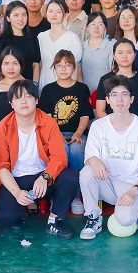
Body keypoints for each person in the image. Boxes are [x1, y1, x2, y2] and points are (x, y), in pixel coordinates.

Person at [79, 75, 138, 240]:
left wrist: (135, 191)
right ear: (108, 100)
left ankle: (130, 212)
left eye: (124, 94)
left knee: (124, 220)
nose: (119, 99)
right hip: (106, 183)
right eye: (114, 95)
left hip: (132, 186)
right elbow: (89, 158)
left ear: (131, 99)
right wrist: (94, 160)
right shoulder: (98, 126)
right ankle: (93, 217)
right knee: (87, 172)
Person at [0, 81, 79, 239]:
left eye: (28, 96)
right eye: (18, 97)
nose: (24, 101)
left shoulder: (49, 122)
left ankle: (54, 220)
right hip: (16, 179)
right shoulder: (2, 127)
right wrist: (17, 192)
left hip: (43, 177)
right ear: (11, 104)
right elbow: (1, 167)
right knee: (7, 217)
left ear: (36, 100)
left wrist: (45, 177)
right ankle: (23, 208)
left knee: (70, 178)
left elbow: (59, 157)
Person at [38, 50, 93, 183]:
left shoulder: (82, 89)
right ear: (54, 68)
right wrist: (57, 135)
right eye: (59, 65)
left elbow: (85, 115)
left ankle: (77, 188)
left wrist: (78, 133)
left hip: (78, 133)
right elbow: (47, 118)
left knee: (76, 150)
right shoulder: (48, 90)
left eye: (67, 65)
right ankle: (60, 186)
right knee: (61, 150)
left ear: (73, 67)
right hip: (54, 134)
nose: (63, 69)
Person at [95, 38, 138, 122]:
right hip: (111, 126)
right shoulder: (105, 80)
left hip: (137, 126)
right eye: (120, 53)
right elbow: (100, 111)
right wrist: (115, 126)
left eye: (129, 52)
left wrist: (136, 126)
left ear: (135, 55)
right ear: (114, 56)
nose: (125, 56)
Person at [38, 0, 83, 87]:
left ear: (65, 14)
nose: (54, 14)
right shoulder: (41, 37)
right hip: (44, 86)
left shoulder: (72, 38)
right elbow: (39, 65)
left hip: (65, 88)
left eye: (58, 11)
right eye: (50, 11)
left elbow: (75, 68)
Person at [0, 1, 41, 82]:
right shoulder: (1, 41)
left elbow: (36, 64)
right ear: (8, 18)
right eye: (16, 15)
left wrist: (34, 84)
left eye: (24, 15)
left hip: (28, 85)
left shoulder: (33, 39)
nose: (20, 18)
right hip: (8, 86)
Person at [0, 48, 25, 121]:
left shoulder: (30, 86)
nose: (10, 68)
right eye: (6, 63)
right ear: (1, 66)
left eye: (15, 63)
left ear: (21, 65)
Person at [80, 12, 114, 93]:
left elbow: (112, 72)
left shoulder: (111, 46)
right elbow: (78, 73)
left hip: (104, 92)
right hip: (85, 92)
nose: (96, 27)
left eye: (100, 24)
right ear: (87, 27)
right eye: (93, 24)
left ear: (105, 27)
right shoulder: (81, 46)